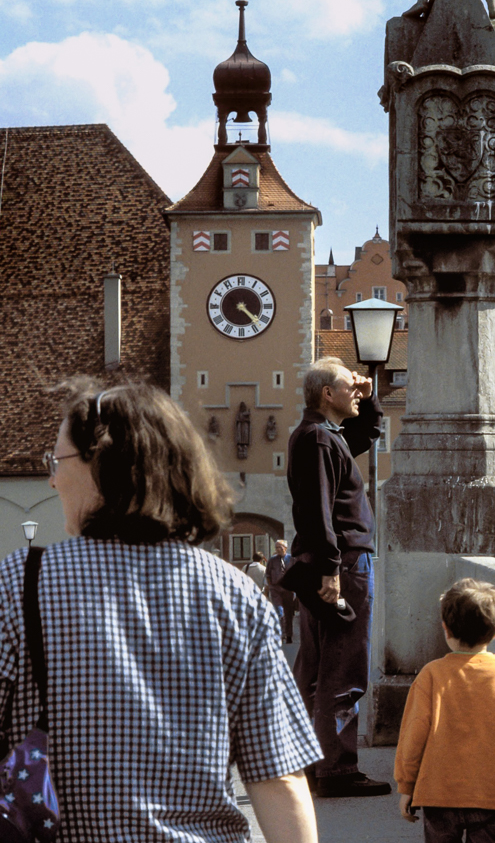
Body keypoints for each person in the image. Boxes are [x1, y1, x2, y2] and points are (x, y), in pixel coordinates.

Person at [0, 379, 322, 843]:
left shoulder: (22, 583)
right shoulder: (237, 596)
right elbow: (278, 777)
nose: (52, 478)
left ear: (101, 465)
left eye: (57, 461)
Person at [287, 357, 391, 798]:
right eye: (349, 385)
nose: (356, 388)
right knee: (343, 667)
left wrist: (369, 400)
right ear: (327, 394)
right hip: (342, 563)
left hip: (333, 561)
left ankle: (314, 763)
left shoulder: (324, 435)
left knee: (316, 667)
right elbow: (318, 510)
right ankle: (336, 769)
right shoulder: (316, 438)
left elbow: (364, 436)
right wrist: (331, 568)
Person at [394, 578, 495, 843]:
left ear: (446, 629)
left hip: (438, 795)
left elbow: (413, 737)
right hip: (493, 796)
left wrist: (407, 786)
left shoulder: (431, 675)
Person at [266, 540, 295, 643]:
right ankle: (281, 634)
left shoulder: (291, 559)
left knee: (289, 614)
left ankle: (289, 635)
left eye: (280, 547)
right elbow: (268, 574)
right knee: (280, 612)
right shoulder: (272, 560)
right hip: (276, 589)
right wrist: (271, 586)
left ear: (285, 548)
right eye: (276, 547)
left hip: (288, 590)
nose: (278, 549)